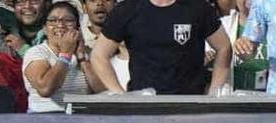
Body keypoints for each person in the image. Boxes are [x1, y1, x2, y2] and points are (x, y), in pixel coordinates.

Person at [90, 0, 231, 95]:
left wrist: (214, 93)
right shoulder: (127, 9)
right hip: (144, 104)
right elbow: (99, 55)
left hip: (190, 103)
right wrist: (119, 95)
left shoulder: (198, 7)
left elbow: (224, 47)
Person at [21, 2, 105, 112]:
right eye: (53, 20)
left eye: (68, 20)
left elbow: (103, 93)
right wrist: (66, 54)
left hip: (82, 119)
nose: (60, 25)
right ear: (45, 28)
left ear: (77, 28)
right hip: (44, 118)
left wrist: (82, 58)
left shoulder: (89, 54)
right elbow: (45, 89)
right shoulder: (36, 52)